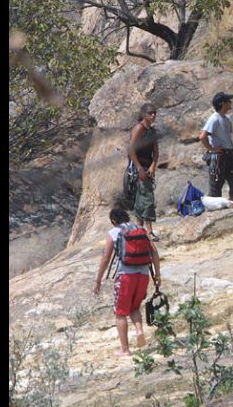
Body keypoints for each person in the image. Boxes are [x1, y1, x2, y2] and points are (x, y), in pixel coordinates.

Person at [94, 208, 161, 357]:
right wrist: (157, 275)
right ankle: (139, 330)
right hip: (143, 275)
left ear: (113, 221)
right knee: (134, 307)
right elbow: (155, 252)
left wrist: (98, 280)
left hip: (125, 276)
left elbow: (106, 259)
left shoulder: (114, 233)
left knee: (120, 313)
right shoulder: (141, 229)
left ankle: (125, 349)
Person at [199, 92, 233, 203]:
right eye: (228, 101)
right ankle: (215, 212)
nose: (230, 103)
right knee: (216, 185)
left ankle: (231, 205)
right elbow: (202, 136)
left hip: (229, 154)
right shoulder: (214, 118)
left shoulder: (227, 119)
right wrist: (211, 149)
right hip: (219, 156)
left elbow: (227, 137)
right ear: (223, 103)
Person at [129, 103, 160, 241]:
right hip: (138, 169)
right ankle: (148, 231)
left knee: (142, 199)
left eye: (154, 113)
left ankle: (140, 230)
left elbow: (156, 151)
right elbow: (131, 150)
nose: (153, 115)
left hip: (148, 168)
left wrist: (153, 165)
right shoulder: (139, 128)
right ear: (144, 114)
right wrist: (139, 168)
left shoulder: (152, 131)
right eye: (150, 113)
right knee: (146, 199)